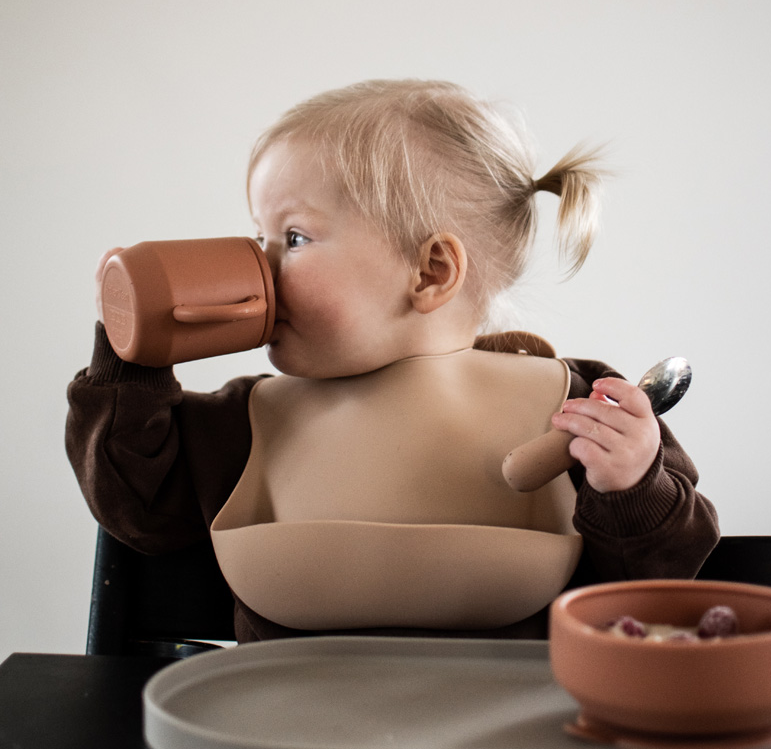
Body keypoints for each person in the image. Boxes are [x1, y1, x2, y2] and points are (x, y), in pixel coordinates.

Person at [66, 79, 718, 642]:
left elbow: (650, 580)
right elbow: (136, 507)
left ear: (430, 271)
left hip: (514, 747)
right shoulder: (241, 422)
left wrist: (629, 487)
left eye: (291, 238)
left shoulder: (572, 403)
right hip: (287, 741)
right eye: (259, 236)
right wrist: (136, 351)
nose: (258, 267)